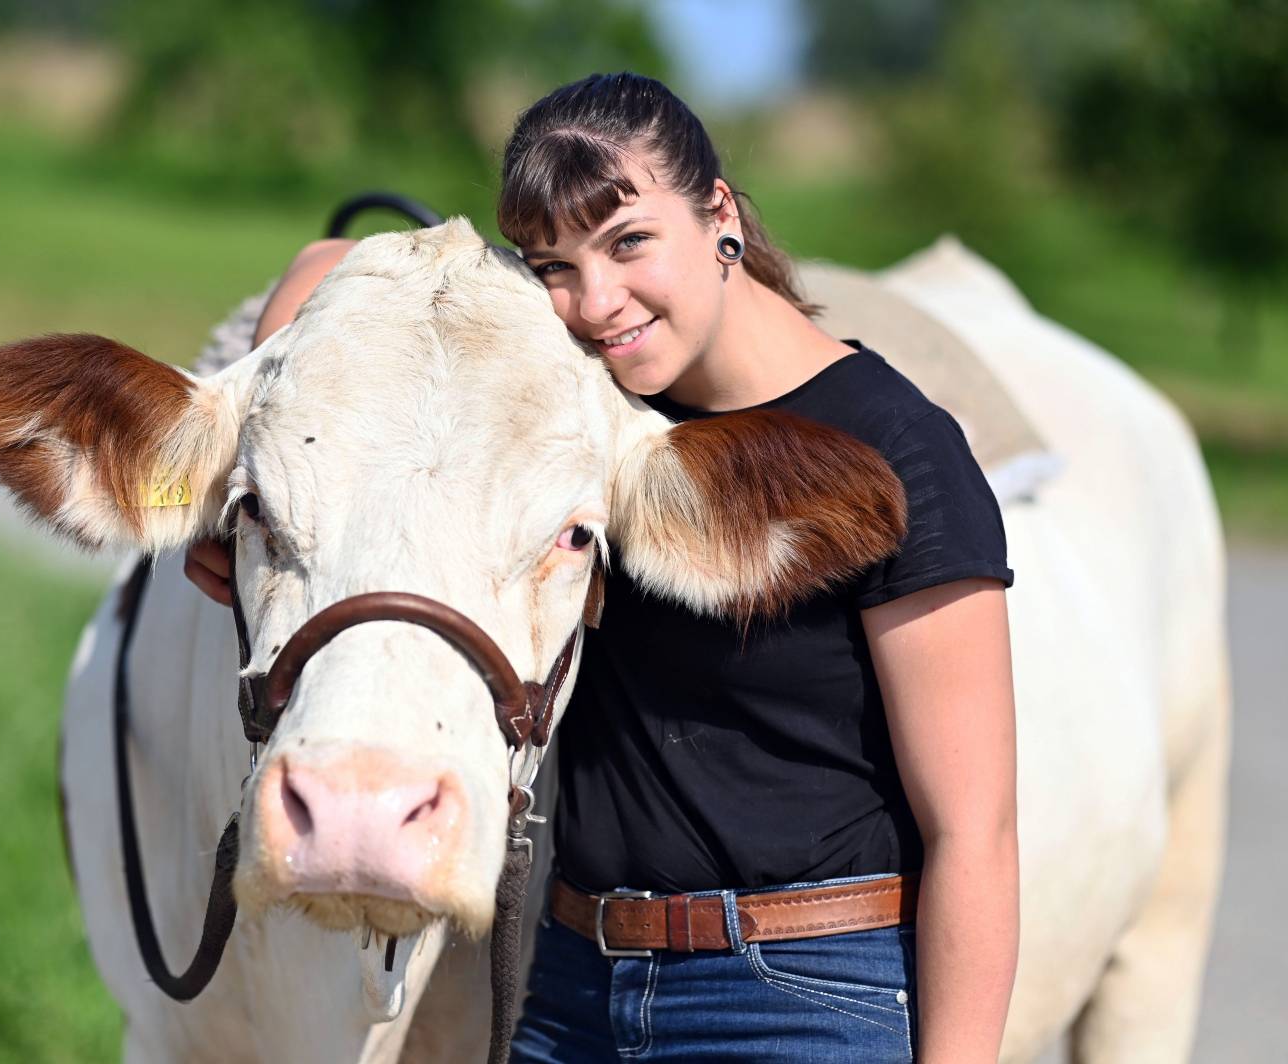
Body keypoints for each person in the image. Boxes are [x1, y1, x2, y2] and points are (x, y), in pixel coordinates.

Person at [186, 73, 1017, 1063]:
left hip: (802, 993)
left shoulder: (895, 448)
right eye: (553, 266)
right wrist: (259, 501)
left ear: (720, 216)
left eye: (628, 242)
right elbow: (340, 265)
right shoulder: (580, 412)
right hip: (575, 984)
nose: (596, 301)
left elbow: (976, 830)